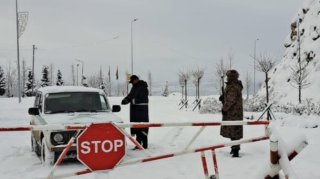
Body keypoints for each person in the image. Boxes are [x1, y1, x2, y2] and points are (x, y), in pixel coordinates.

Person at [220, 70, 243, 158]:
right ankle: (234, 148)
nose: (227, 77)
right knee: (233, 131)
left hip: (233, 113)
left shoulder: (233, 86)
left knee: (234, 131)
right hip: (233, 112)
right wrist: (223, 97)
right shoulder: (233, 85)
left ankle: (236, 150)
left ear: (232, 77)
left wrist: (224, 108)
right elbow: (229, 97)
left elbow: (230, 99)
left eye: (228, 76)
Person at [121, 75, 149, 149]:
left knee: (142, 127)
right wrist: (126, 99)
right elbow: (130, 96)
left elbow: (142, 99)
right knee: (136, 127)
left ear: (136, 80)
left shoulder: (143, 87)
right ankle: (138, 144)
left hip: (142, 111)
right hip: (134, 111)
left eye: (132, 81)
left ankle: (145, 145)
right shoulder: (134, 87)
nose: (132, 83)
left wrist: (131, 101)